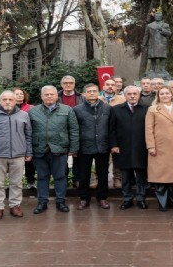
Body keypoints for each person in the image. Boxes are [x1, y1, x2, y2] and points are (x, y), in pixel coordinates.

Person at [0, 90, 32, 220]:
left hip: (18, 155)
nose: (7, 102)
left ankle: (15, 205)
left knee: (17, 183)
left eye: (10, 99)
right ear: (0, 101)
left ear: (16, 101)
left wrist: (29, 152)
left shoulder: (24, 115)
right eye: (4, 99)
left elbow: (28, 135)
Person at [28, 85, 79, 214]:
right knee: (42, 177)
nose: (49, 96)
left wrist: (73, 148)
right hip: (39, 149)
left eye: (52, 94)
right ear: (41, 96)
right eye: (46, 94)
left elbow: (73, 130)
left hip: (60, 149)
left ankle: (60, 201)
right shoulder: (33, 111)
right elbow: (28, 132)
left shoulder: (67, 110)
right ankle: (42, 202)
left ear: (57, 96)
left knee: (60, 177)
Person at [145, 86, 173, 211]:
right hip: (159, 146)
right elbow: (148, 130)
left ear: (172, 94)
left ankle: (172, 199)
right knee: (160, 175)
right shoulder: (153, 109)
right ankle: (162, 202)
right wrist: (151, 146)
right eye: (162, 94)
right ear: (158, 96)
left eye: (167, 93)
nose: (165, 95)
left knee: (172, 175)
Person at [109, 85, 149, 209]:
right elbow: (111, 129)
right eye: (129, 94)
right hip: (122, 147)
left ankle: (141, 198)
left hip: (141, 147)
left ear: (139, 95)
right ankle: (127, 199)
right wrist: (114, 145)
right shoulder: (116, 109)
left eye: (135, 94)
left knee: (141, 176)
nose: (132, 96)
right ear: (125, 95)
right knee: (125, 175)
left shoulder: (147, 109)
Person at [73, 83, 111, 210]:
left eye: (95, 91)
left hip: (102, 146)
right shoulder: (77, 109)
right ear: (84, 94)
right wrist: (74, 147)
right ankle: (84, 198)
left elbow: (111, 128)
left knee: (103, 173)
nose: (92, 93)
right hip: (84, 147)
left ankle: (102, 198)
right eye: (89, 91)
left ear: (99, 92)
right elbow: (74, 129)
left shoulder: (107, 108)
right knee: (84, 174)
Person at [12, 87, 36, 189]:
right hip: (14, 139)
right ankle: (15, 184)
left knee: (29, 162)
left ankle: (30, 181)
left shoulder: (31, 108)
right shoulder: (8, 108)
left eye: (21, 94)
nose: (20, 95)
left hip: (28, 137)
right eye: (17, 94)